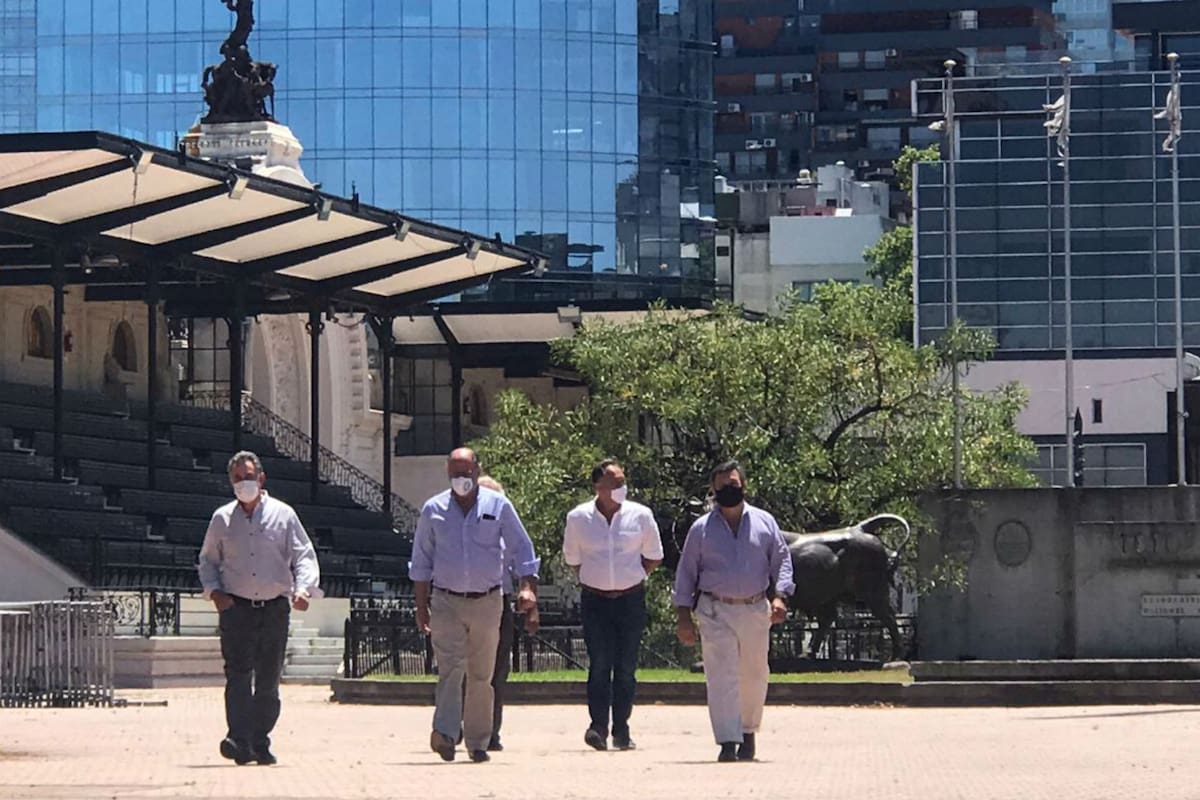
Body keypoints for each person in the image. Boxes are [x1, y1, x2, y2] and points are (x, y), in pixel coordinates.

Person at [410, 448, 539, 764]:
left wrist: (527, 589)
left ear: (477, 470)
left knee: (482, 673)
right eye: (455, 473)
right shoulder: (433, 509)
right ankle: (446, 733)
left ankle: (479, 741)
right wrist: (420, 605)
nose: (461, 480)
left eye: (466, 473)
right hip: (446, 600)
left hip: (487, 600)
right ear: (447, 473)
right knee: (451, 668)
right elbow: (421, 560)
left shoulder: (498, 506)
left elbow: (523, 548)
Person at [197, 450, 321, 766]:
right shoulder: (221, 518)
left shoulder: (284, 515)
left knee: (267, 678)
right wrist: (215, 594)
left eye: (248, 477)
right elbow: (208, 560)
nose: (244, 483)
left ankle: (259, 739)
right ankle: (238, 739)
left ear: (261, 478)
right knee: (238, 674)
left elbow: (303, 555)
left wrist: (303, 589)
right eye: (237, 478)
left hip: (274, 608)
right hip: (236, 607)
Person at [673, 460, 793, 763]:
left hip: (754, 608)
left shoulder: (765, 522)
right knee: (721, 674)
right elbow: (686, 572)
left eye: (734, 484)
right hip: (715, 609)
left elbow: (782, 561)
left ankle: (748, 732)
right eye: (723, 485)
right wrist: (683, 616)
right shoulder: (701, 529)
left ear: (744, 485)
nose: (729, 489)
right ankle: (727, 740)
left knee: (754, 673)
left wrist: (780, 597)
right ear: (713, 490)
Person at [563, 458, 663, 752]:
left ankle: (622, 728)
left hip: (631, 599)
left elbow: (654, 555)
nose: (622, 487)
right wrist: (596, 578)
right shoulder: (578, 518)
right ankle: (597, 727)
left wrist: (632, 576)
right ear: (598, 486)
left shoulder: (641, 516)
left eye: (623, 481)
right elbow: (572, 560)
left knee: (626, 667)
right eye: (615, 483)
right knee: (599, 664)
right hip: (595, 600)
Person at [475, 474, 540, 753]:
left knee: (497, 668)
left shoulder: (506, 533)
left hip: (498, 600)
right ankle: (462, 724)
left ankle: (490, 730)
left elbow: (524, 563)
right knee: (463, 667)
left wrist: (531, 604)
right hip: (460, 597)